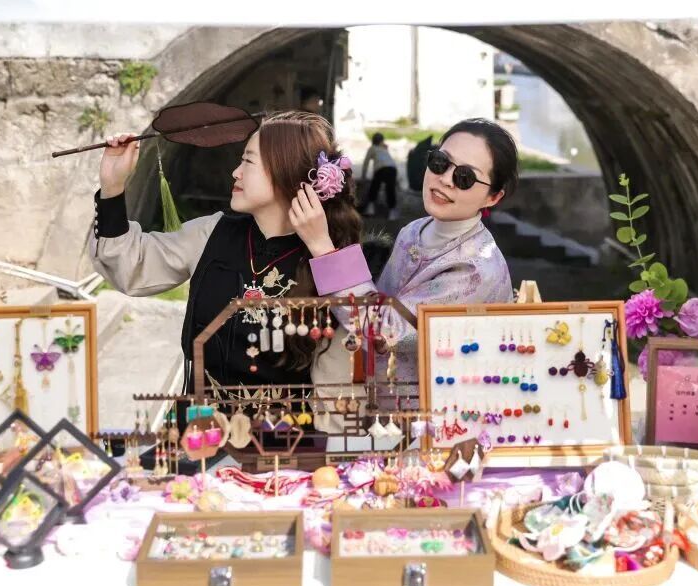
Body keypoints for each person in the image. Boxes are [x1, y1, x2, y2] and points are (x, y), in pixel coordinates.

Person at [88, 111, 362, 398]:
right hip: (200, 422)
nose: (236, 172)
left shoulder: (336, 254)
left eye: (248, 162)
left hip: (291, 427)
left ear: (287, 173)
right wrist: (112, 187)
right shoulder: (212, 232)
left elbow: (364, 339)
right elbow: (131, 264)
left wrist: (322, 249)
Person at [303, 118, 517, 385]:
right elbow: (378, 300)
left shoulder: (476, 269)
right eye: (440, 162)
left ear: (493, 197)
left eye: (465, 177)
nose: (445, 179)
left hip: (436, 407)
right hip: (380, 398)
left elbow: (384, 331)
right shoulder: (414, 230)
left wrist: (324, 248)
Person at [360, 132, 399, 220]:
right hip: (392, 168)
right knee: (390, 188)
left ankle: (370, 208)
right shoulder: (384, 148)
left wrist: (363, 176)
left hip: (381, 169)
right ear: (382, 141)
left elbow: (366, 162)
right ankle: (392, 210)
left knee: (375, 186)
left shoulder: (372, 148)